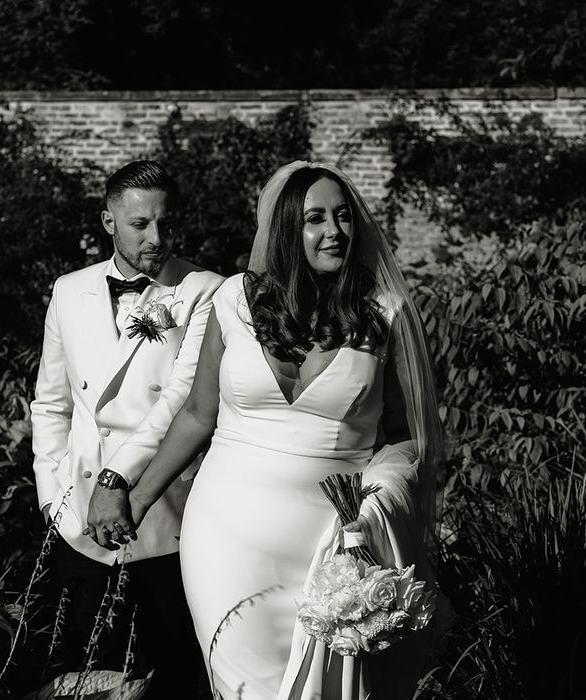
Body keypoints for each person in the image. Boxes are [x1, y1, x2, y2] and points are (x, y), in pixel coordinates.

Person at [107, 161, 443, 699]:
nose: (335, 230)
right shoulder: (235, 300)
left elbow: (406, 436)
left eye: (343, 216)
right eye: (315, 218)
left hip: (331, 552)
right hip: (224, 540)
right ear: (287, 227)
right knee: (242, 687)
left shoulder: (384, 313)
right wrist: (139, 497)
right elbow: (198, 413)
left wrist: (377, 507)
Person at [30, 160, 223, 697]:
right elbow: (51, 403)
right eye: (140, 225)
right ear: (108, 221)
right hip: (78, 522)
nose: (156, 238)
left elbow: (182, 402)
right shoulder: (70, 290)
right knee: (85, 677)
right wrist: (54, 497)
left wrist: (118, 483)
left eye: (165, 223)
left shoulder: (205, 290)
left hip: (163, 518)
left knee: (172, 677)